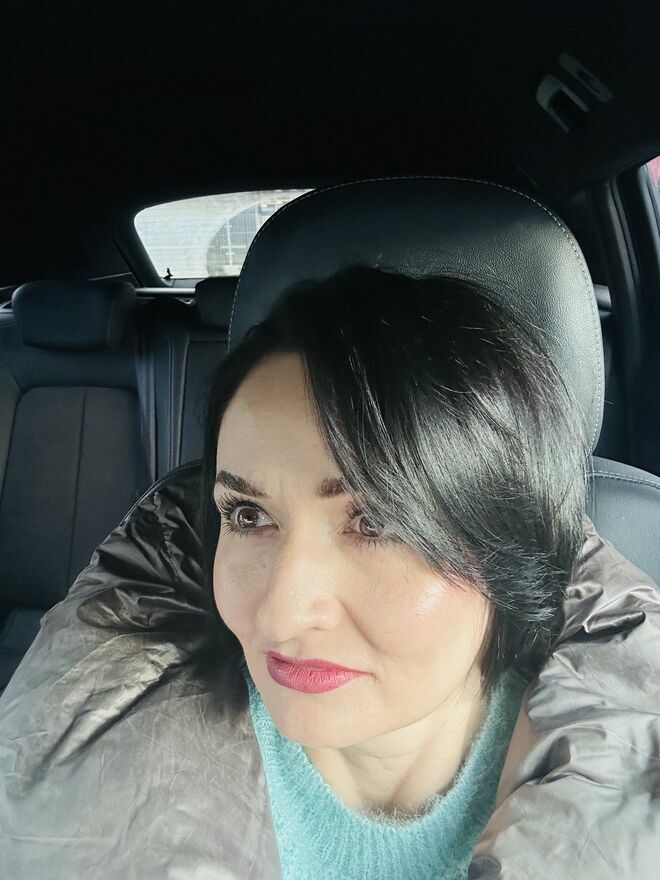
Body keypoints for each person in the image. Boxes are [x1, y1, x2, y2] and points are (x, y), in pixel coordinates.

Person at [0, 265, 658, 880]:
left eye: (378, 524)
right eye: (249, 515)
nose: (280, 615)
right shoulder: (87, 781)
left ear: (509, 550)